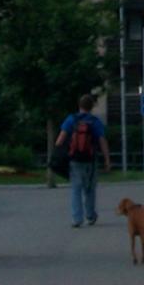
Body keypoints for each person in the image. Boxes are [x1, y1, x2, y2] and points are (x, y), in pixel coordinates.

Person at [54, 93, 112, 228]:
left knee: (76, 188)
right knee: (90, 189)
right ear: (91, 107)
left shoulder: (71, 119)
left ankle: (77, 218)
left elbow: (60, 139)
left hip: (74, 160)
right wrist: (107, 160)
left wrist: (58, 154)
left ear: (79, 105)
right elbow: (102, 141)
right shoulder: (95, 122)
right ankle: (90, 216)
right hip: (91, 160)